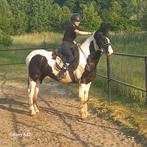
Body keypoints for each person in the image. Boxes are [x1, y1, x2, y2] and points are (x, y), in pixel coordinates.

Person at [57, 13, 92, 79]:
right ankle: (61, 72)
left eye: (79, 21)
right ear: (73, 21)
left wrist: (75, 43)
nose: (79, 22)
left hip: (69, 44)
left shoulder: (73, 27)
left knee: (76, 56)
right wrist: (90, 33)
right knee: (71, 58)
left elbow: (69, 37)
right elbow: (78, 33)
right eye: (77, 21)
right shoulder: (71, 26)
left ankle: (72, 71)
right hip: (66, 45)